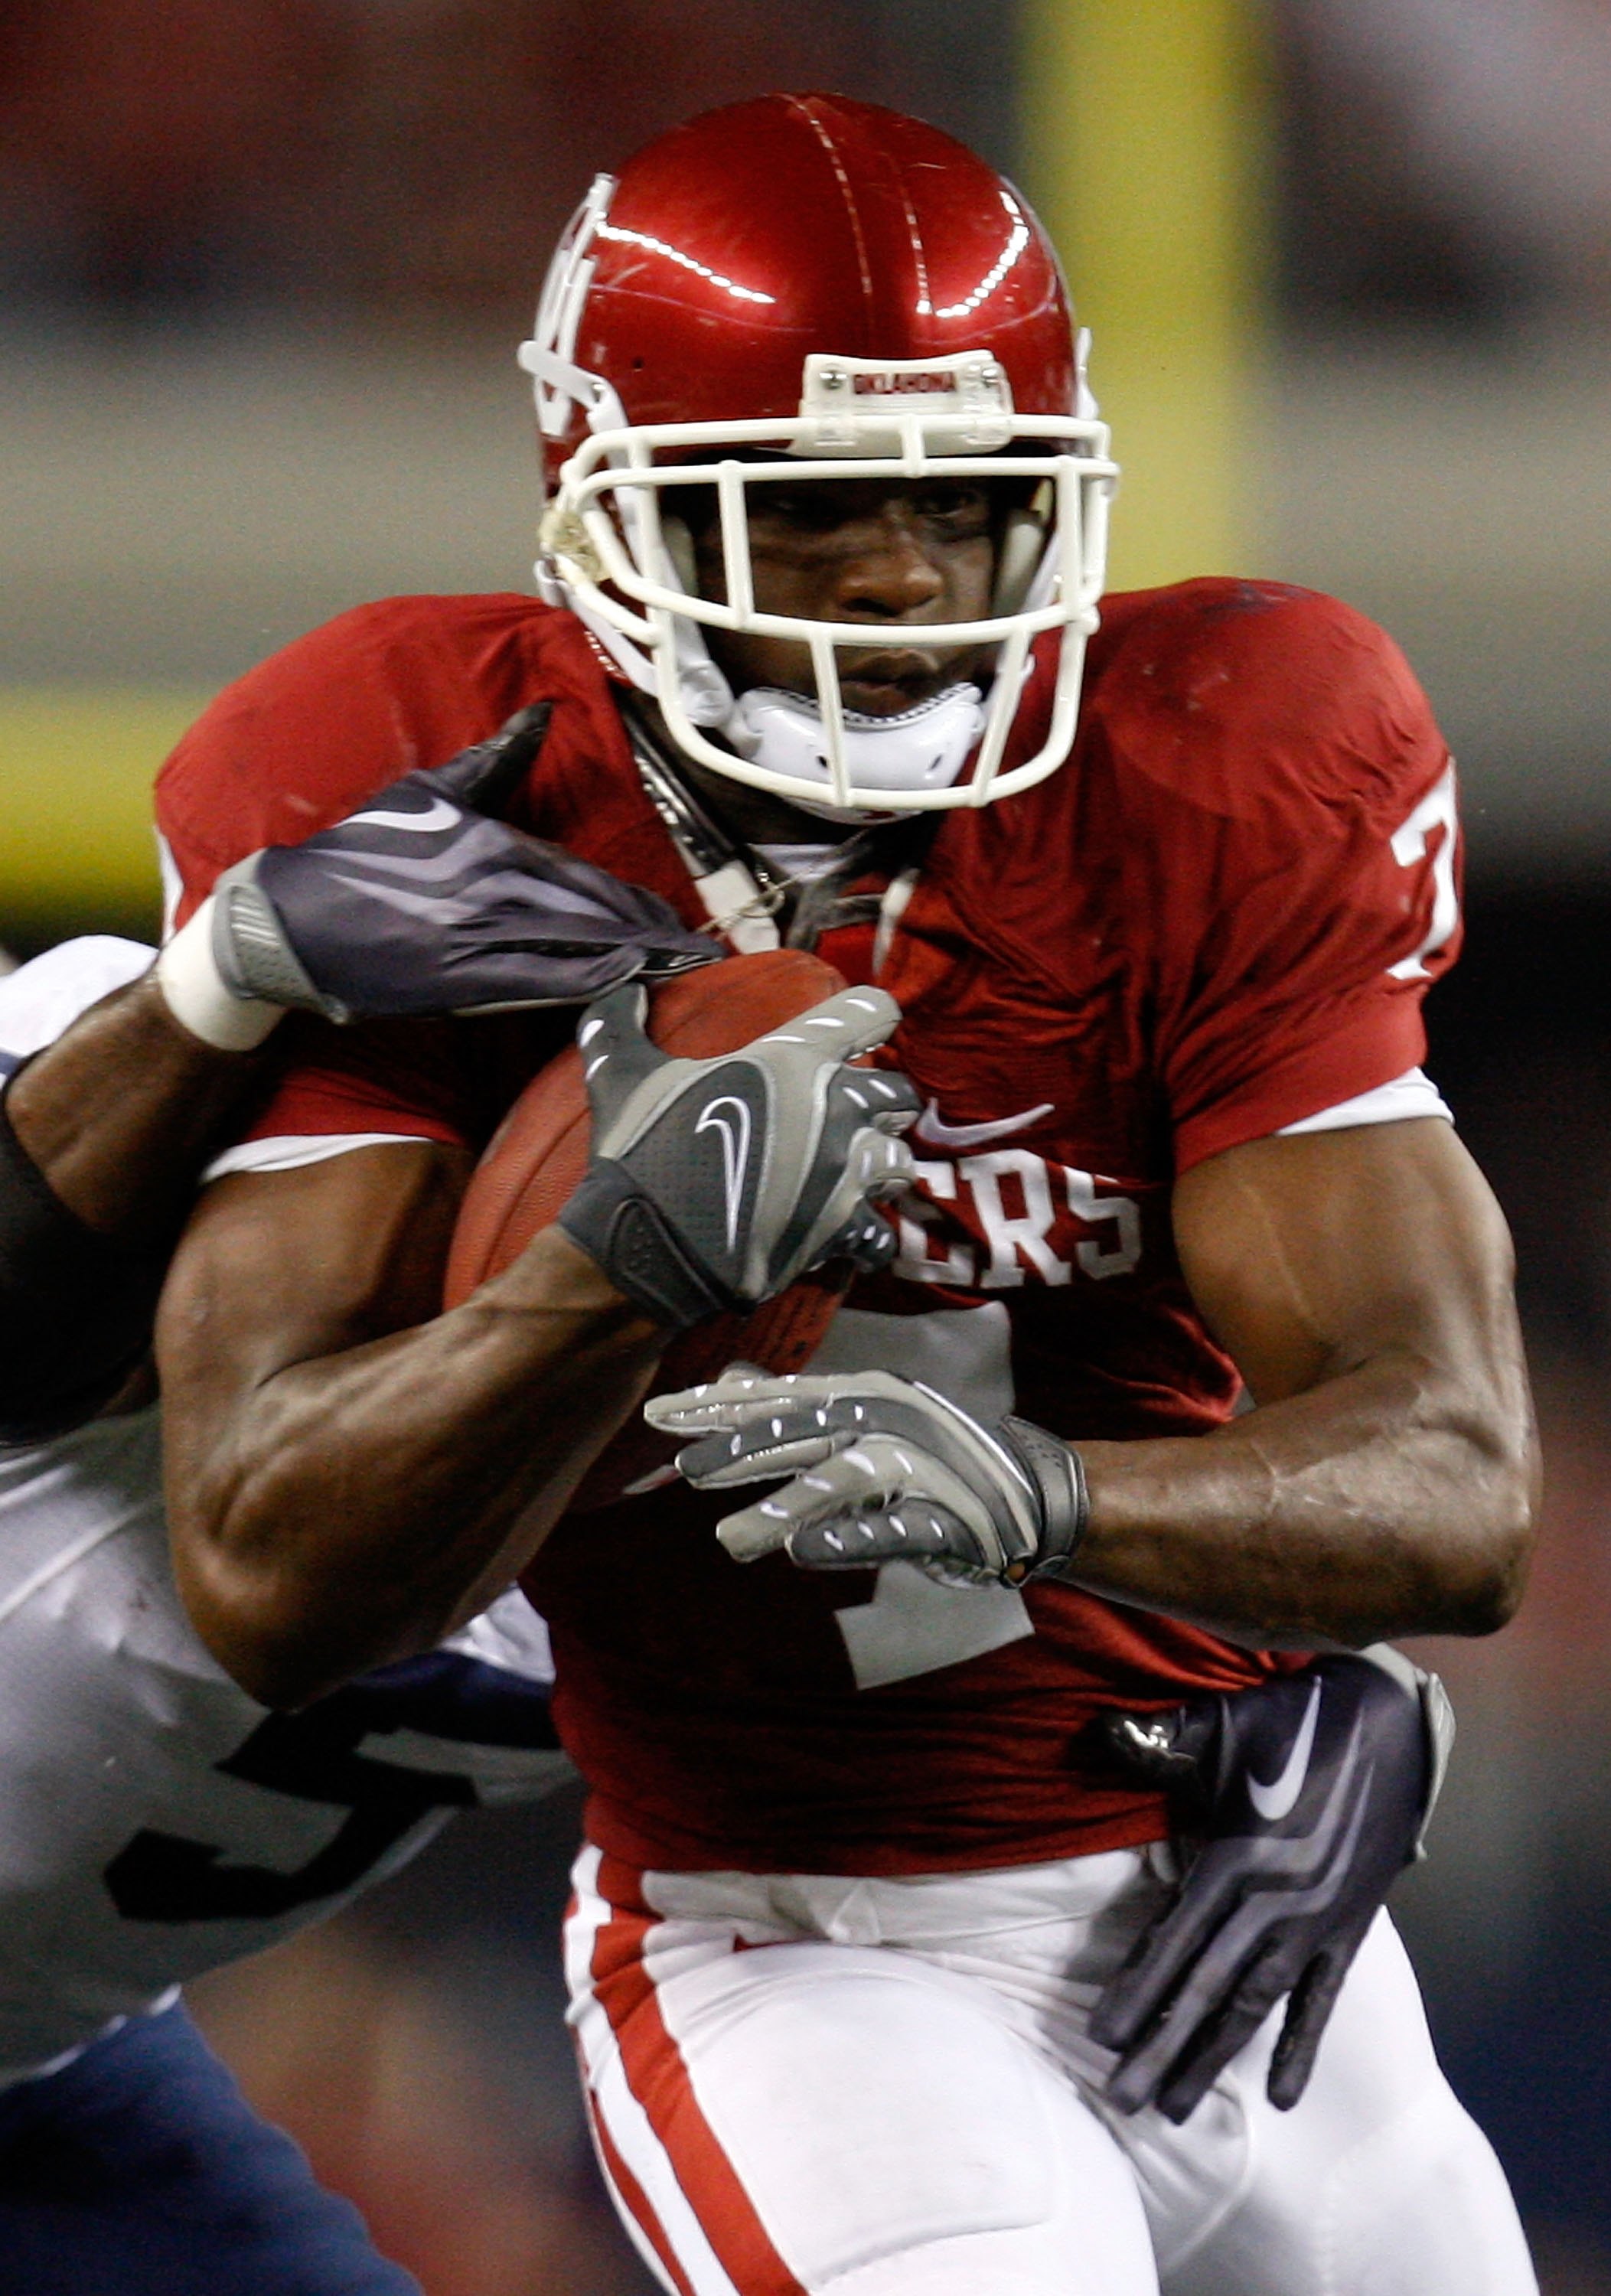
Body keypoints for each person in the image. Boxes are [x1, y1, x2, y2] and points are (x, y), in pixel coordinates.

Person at [149, 93, 1539, 2296]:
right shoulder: (429, 798)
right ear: (602, 509)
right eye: (808, 512)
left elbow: (1457, 1480)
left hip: (1228, 1906)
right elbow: (270, 1561)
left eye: (965, 501)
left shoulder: (1224, 753)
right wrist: (620, 1275)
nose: (900, 571)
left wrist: (1055, 1505)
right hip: (801, 1946)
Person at [0, 737, 908, 2293]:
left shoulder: (797, 1482)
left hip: (48, 2065)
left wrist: (1279, 1713)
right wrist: (212, 987)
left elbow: (1060, 1687)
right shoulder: (175, 1116)